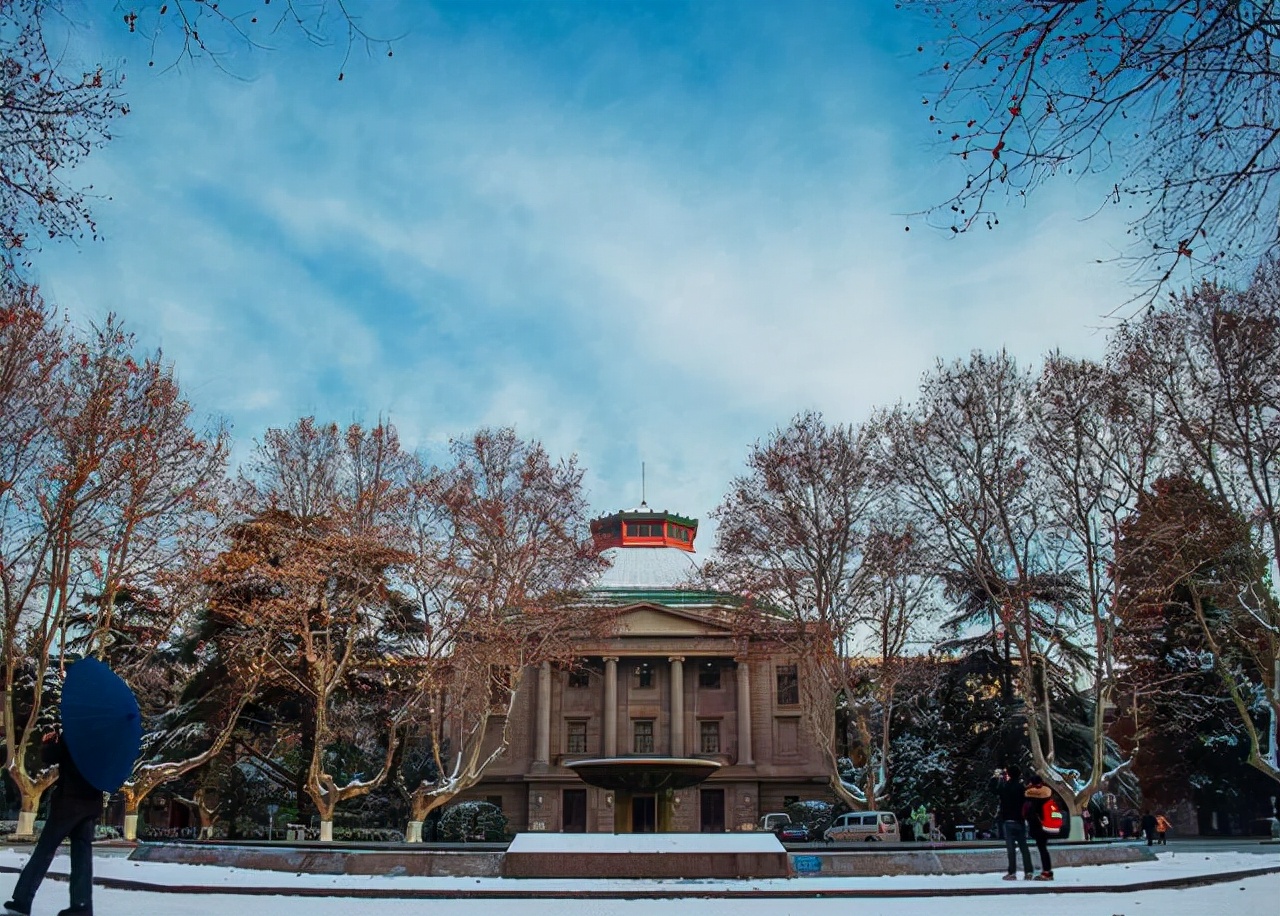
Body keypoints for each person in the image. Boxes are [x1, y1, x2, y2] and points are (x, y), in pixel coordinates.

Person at [4, 728, 100, 916]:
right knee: (82, 856)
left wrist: (49, 741)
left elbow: (51, 756)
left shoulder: (76, 728)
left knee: (45, 849)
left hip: (69, 801)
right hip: (91, 801)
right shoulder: (106, 736)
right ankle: (81, 907)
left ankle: (22, 900)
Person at [992, 765, 1034, 881]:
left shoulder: (1005, 787)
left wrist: (995, 777)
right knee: (1024, 848)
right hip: (1019, 821)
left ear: (1009, 774)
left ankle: (1012, 872)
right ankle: (1028, 872)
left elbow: (993, 790)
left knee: (1011, 849)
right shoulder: (1021, 788)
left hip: (1008, 820)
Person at [1023, 774, 1054, 881]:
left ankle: (1047, 872)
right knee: (1043, 849)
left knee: (1042, 849)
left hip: (1038, 827)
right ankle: (1047, 871)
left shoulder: (1032, 796)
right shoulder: (1046, 794)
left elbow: (1030, 813)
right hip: (1047, 825)